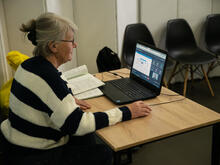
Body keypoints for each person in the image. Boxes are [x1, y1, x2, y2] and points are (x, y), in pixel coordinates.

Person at [0, 12, 152, 165]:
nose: (75, 44)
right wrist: (127, 112)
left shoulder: (29, 65)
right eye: (71, 40)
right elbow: (77, 124)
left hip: (15, 143)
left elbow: (46, 97)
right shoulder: (48, 77)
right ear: (53, 46)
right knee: (102, 151)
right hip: (33, 155)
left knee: (88, 136)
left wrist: (68, 99)